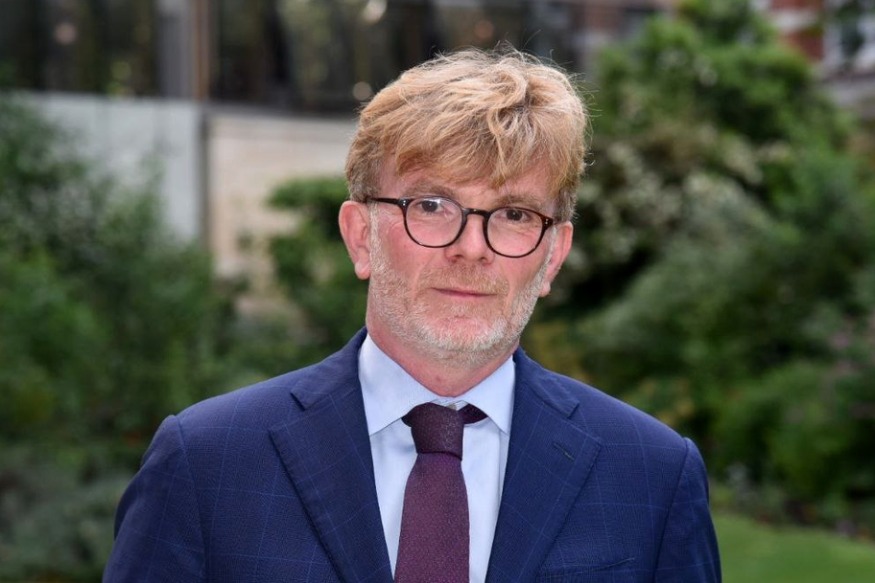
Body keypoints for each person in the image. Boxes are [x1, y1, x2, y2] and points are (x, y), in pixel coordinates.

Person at [104, 47, 721, 582]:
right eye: (431, 205)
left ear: (553, 256)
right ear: (361, 237)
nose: (471, 248)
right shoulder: (207, 464)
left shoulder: (653, 477)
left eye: (514, 215)